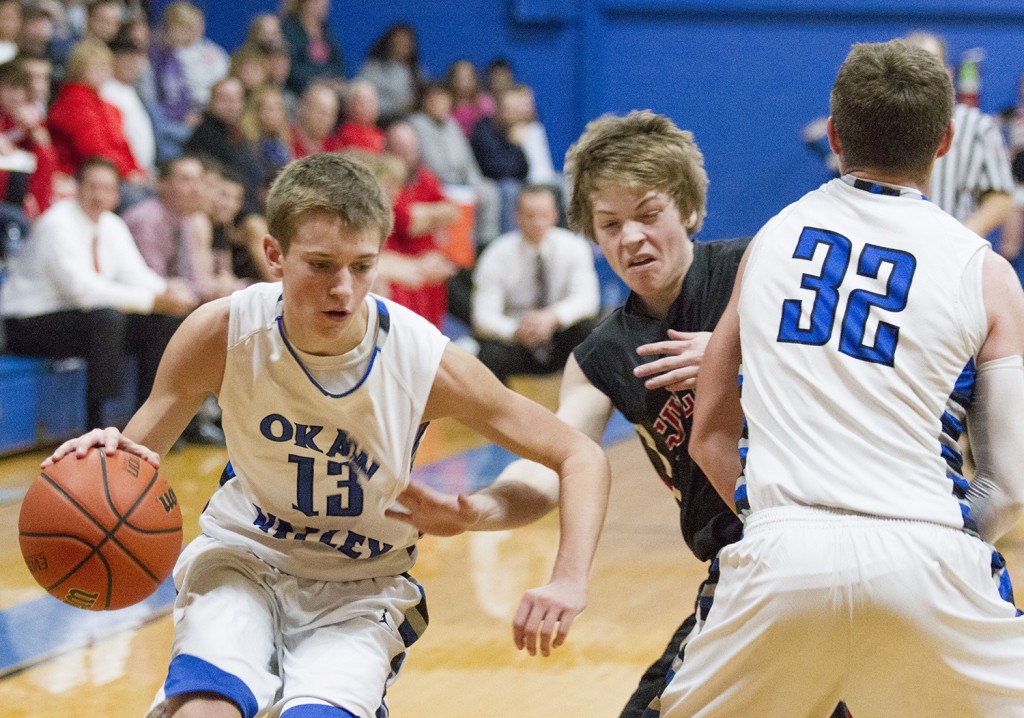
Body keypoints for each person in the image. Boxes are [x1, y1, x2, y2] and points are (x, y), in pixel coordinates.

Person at [44, 151, 611, 718]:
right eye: (320, 264)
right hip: (243, 558)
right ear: (274, 256)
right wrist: (101, 461)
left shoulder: (424, 362)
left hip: (361, 588)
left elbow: (578, 455)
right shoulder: (221, 333)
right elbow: (136, 462)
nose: (343, 287)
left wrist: (564, 576)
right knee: (204, 710)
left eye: (361, 266)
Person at [388, 110, 851, 717]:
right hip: (740, 565)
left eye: (648, 215)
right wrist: (477, 509)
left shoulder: (759, 271)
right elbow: (557, 463)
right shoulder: (604, 353)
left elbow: (853, 373)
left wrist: (736, 360)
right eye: (611, 224)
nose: (631, 237)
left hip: (834, 539)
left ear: (686, 209)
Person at [658, 40, 1024, 717]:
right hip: (931, 557)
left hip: (780, 552)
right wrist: (924, 543)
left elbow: (709, 435)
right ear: (944, 142)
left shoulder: (769, 240)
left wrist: (781, 521)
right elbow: (1009, 489)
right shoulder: (987, 273)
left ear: (832, 134)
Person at [0, 156, 195, 429]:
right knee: (107, 319)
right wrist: (152, 300)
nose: (100, 195)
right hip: (28, 322)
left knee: (160, 322)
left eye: (108, 188)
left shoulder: (111, 225)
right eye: (93, 187)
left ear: (117, 194)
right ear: (76, 188)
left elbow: (134, 273)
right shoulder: (57, 223)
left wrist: (168, 290)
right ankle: (97, 425)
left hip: (77, 319)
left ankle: (146, 421)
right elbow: (82, 292)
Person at [471, 185, 599, 383]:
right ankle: (504, 412)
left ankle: (588, 404)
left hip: (559, 337)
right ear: (516, 216)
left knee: (592, 331)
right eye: (530, 215)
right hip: (517, 341)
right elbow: (483, 316)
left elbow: (587, 299)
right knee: (488, 353)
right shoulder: (496, 254)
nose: (537, 222)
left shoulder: (574, 247)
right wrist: (515, 330)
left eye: (543, 215)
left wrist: (553, 317)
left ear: (555, 215)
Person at [904, 31, 1015, 237]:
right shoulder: (884, 123)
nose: (919, 76)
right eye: (910, 67)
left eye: (929, 65)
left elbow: (1001, 196)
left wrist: (962, 237)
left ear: (948, 73)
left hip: (950, 251)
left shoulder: (976, 126)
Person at [357, 23, 424, 127]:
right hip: (379, 120)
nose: (400, 48)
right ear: (388, 43)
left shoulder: (417, 73)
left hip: (408, 124)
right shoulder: (373, 68)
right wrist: (397, 108)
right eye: (397, 43)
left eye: (405, 45)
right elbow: (362, 97)